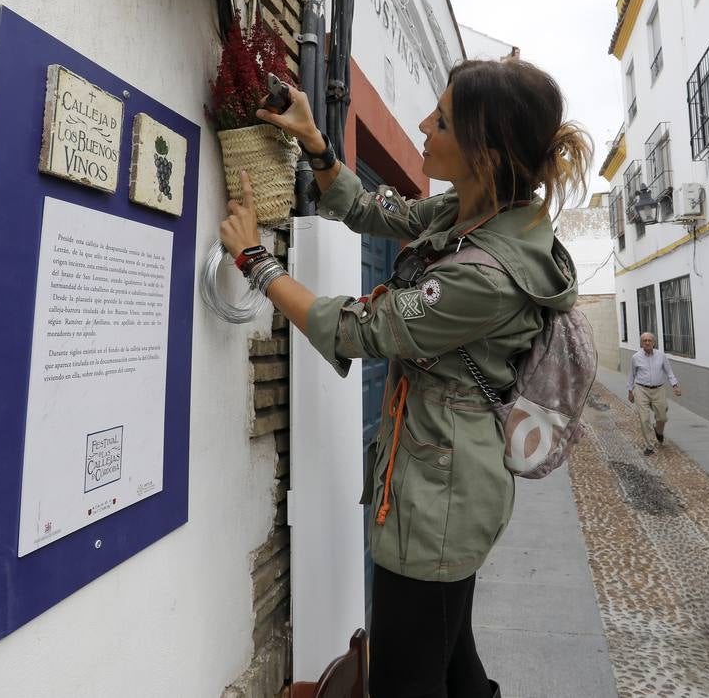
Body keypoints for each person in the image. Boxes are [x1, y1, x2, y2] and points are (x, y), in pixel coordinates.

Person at [219, 58, 592, 698]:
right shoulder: (470, 212)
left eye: (442, 120)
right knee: (452, 663)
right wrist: (315, 142)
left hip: (439, 501)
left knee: (405, 679)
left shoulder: (486, 275)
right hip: (445, 484)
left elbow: (363, 328)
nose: (423, 124)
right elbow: (372, 210)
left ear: (487, 152)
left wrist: (256, 261)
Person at [626, 331, 680, 454]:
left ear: (654, 343)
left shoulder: (661, 356)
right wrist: (630, 391)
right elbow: (631, 375)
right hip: (641, 389)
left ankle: (658, 430)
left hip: (658, 389)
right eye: (644, 341)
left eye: (649, 340)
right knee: (644, 418)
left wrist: (675, 385)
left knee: (662, 417)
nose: (647, 342)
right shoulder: (635, 357)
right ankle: (649, 445)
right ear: (641, 343)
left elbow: (669, 372)